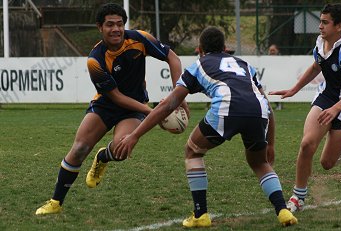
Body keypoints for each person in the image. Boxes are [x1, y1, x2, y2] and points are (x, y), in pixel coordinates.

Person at [115, 26, 297, 227]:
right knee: (259, 162)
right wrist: (270, 143)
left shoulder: (197, 65)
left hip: (227, 108)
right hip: (259, 110)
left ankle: (200, 214)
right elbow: (266, 104)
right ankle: (283, 211)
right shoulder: (244, 64)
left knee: (192, 151)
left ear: (200, 49)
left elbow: (168, 105)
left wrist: (135, 135)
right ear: (225, 48)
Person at [35, 3, 188, 215]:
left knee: (121, 150)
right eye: (110, 25)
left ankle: (103, 157)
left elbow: (173, 58)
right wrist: (153, 112)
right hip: (106, 104)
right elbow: (116, 96)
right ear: (100, 27)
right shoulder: (95, 60)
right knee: (79, 148)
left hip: (133, 108)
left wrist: (178, 95)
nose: (116, 29)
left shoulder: (139, 38)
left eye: (119, 24)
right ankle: (56, 202)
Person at [269, 3, 341, 213]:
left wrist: (336, 109)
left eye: (325, 22)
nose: (320, 26)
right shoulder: (320, 43)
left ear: (339, 26)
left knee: (326, 163)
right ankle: (298, 197)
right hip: (325, 98)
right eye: (320, 21)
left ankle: (337, 150)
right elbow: (316, 66)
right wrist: (294, 90)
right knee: (306, 144)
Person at [268, 44, 283, 110]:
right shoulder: (266, 59)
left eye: (273, 50)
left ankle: (279, 104)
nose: (272, 52)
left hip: (279, 77)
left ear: (277, 50)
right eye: (270, 50)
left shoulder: (281, 58)